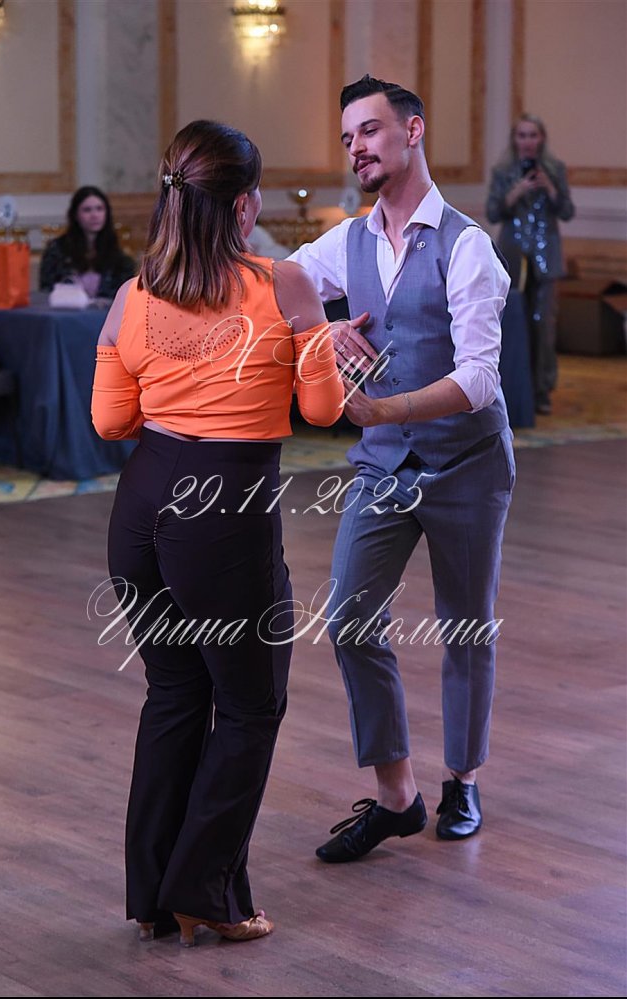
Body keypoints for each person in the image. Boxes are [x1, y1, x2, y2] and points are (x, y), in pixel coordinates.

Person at [91, 120, 343, 944]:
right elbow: (323, 410)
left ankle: (156, 894)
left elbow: (110, 421)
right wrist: (324, 345)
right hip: (224, 510)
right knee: (249, 704)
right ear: (244, 207)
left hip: (141, 508)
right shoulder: (285, 283)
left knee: (174, 691)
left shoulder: (133, 294)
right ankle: (203, 890)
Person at [288, 75, 515, 862]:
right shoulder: (344, 241)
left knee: (465, 625)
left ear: (413, 131)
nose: (356, 147)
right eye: (348, 136)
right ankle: (397, 795)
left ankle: (464, 779)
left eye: (370, 130)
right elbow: (280, 285)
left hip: (468, 463)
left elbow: (479, 377)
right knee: (350, 616)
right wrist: (319, 331)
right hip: (383, 465)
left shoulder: (467, 246)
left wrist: (385, 409)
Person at [486, 114, 574, 415]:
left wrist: (550, 188)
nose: (527, 141)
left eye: (533, 135)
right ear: (515, 139)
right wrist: (515, 193)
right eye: (522, 135)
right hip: (513, 256)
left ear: (542, 138)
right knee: (513, 323)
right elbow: (493, 212)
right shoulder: (503, 172)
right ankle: (511, 388)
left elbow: (567, 211)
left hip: (546, 258)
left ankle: (542, 391)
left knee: (543, 327)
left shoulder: (554, 169)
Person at [40, 185, 135, 300]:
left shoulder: (120, 258)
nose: (94, 215)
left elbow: (125, 296)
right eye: (87, 210)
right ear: (75, 215)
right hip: (67, 310)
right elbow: (46, 291)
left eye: (99, 209)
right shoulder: (57, 250)